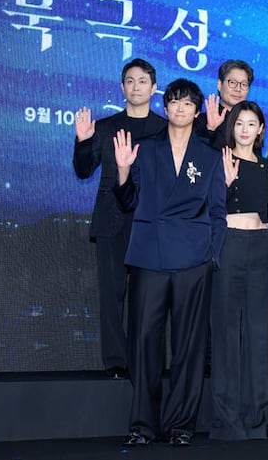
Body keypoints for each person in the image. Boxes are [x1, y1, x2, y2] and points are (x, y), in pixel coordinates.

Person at [113, 78, 227, 447]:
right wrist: (123, 171)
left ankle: (181, 425)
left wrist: (210, 255)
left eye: (187, 103)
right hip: (149, 256)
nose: (180, 108)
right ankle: (142, 425)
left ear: (197, 111)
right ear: (165, 108)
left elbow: (218, 212)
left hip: (194, 259)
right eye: (174, 102)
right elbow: (128, 201)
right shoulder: (145, 149)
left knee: (189, 346)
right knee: (144, 343)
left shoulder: (210, 155)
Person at [72, 58, 167, 379]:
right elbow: (83, 170)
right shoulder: (105, 127)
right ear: (122, 87)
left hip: (151, 224)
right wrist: (83, 141)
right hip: (111, 220)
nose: (136, 87)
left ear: (154, 88)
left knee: (149, 298)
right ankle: (115, 360)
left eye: (143, 81)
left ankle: (144, 358)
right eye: (130, 81)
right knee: (112, 295)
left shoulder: (165, 129)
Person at [210, 101, 268, 440]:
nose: (245, 129)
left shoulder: (267, 167)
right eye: (239, 123)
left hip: (262, 247)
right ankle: (227, 420)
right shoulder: (219, 161)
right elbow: (207, 208)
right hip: (230, 245)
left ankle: (256, 419)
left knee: (257, 333)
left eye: (252, 123)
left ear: (261, 129)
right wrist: (224, 183)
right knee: (226, 333)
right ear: (231, 127)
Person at [195, 59, 254, 150]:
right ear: (219, 85)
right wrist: (210, 129)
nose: (238, 89)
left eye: (244, 84)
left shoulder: (252, 125)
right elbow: (195, 152)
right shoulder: (202, 121)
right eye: (232, 82)